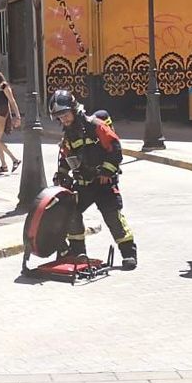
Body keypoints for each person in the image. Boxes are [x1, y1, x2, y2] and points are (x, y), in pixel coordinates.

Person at [50, 89, 137, 270]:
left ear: (73, 109)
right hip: (84, 184)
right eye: (60, 117)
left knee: (112, 216)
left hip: (104, 183)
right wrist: (62, 176)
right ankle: (77, 252)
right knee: (72, 212)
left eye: (65, 114)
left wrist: (107, 171)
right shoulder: (69, 134)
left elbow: (115, 148)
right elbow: (65, 157)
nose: (63, 120)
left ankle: (129, 253)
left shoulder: (96, 125)